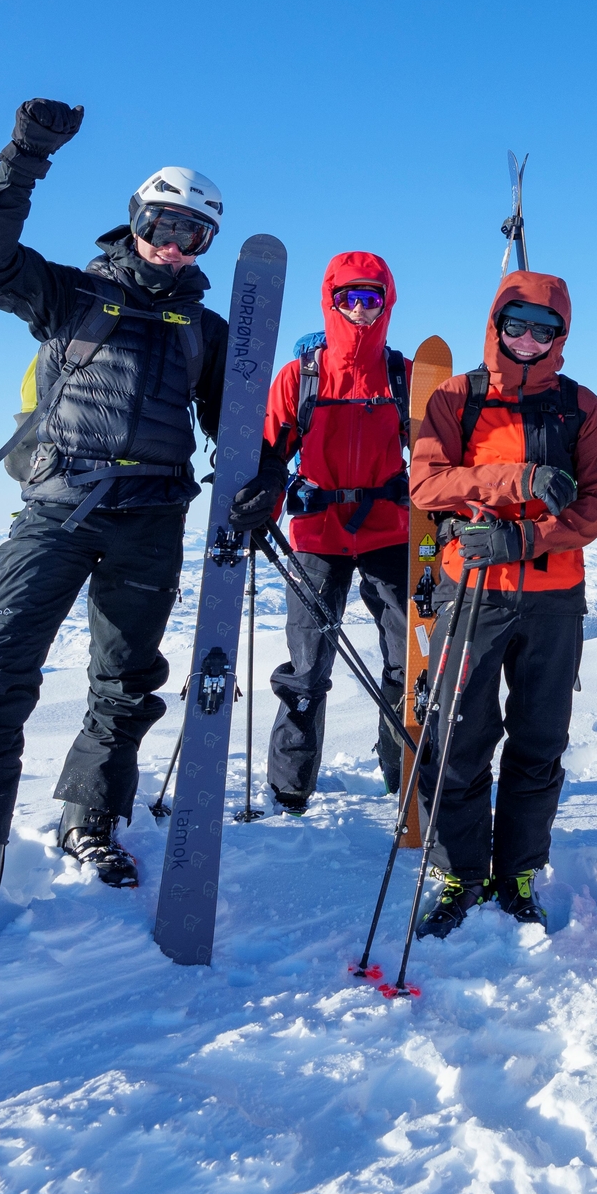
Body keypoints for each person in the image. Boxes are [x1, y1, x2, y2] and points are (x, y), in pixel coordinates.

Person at [0, 99, 291, 960]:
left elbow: (236, 432)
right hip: (57, 508)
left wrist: (263, 481)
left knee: (127, 682)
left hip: (152, 518)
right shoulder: (69, 291)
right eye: (162, 224)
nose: (173, 244)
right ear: (135, 218)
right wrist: (22, 161)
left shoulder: (208, 331)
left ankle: (90, 820)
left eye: (192, 235)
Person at [405, 271, 597, 935]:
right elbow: (425, 483)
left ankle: (518, 870)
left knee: (539, 741)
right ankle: (458, 872)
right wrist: (517, 480)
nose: (529, 339)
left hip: (554, 601)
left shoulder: (579, 405)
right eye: (517, 324)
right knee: (457, 739)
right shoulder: (455, 396)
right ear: (496, 323)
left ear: (560, 336)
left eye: (544, 329)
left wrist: (524, 535)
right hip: (471, 594)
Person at [260, 253, 411, 808]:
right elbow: (269, 454)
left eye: (373, 297)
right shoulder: (301, 375)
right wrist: (262, 506)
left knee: (405, 661)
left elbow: (439, 453)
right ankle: (289, 786)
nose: (362, 308)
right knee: (307, 665)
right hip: (317, 537)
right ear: (332, 299)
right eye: (350, 296)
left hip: (389, 533)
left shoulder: (404, 374)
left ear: (387, 301)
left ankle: (402, 773)